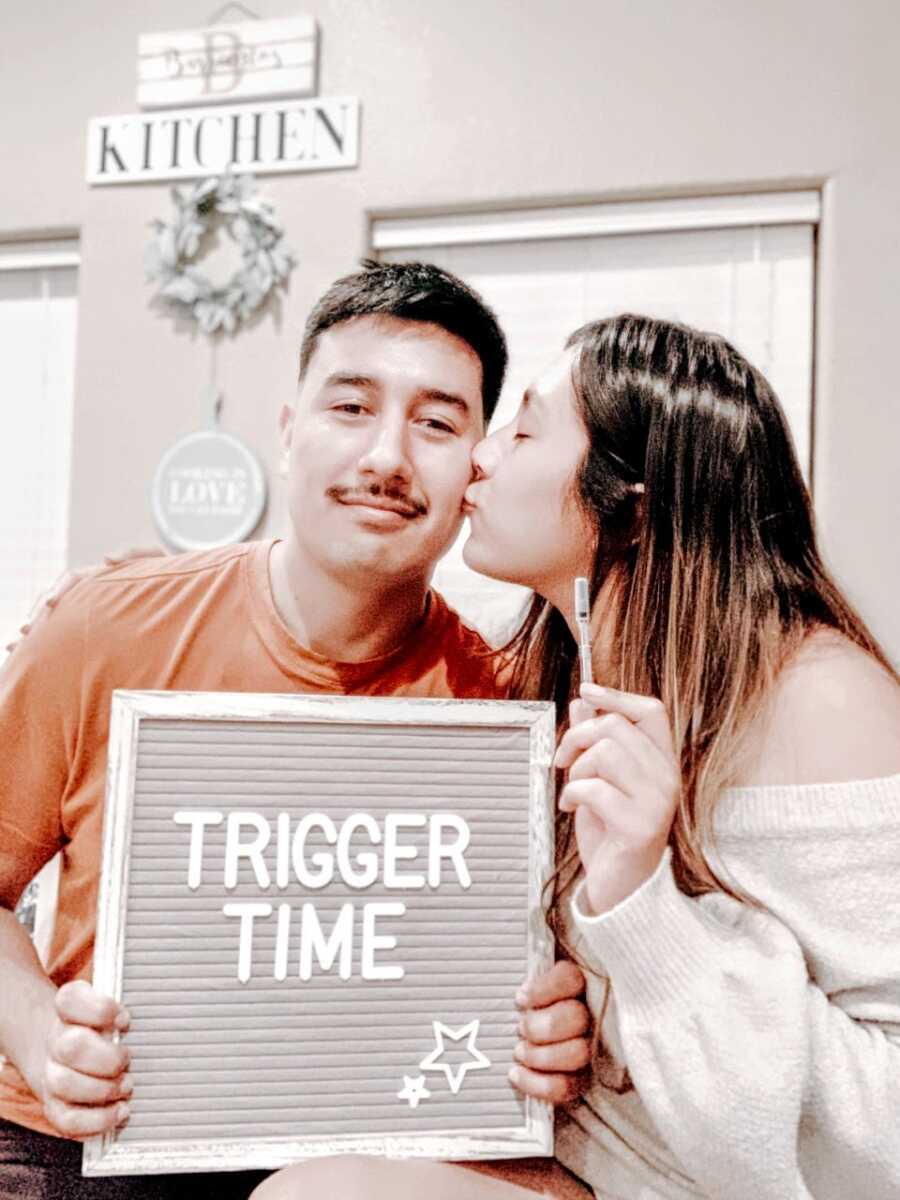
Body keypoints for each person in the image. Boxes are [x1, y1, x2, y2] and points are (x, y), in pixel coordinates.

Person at [251, 312, 900, 1199]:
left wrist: (644, 906)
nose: (478, 458)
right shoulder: (540, 679)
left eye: (522, 430)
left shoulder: (823, 701)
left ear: (627, 503)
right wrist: (557, 1016)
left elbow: (885, 1140)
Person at [0, 262, 593, 1200]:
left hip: (362, 1148)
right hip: (81, 1139)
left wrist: (549, 1023)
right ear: (288, 433)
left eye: (437, 424)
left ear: (478, 464)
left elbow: (512, 979)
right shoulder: (102, 626)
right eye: (350, 409)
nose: (388, 458)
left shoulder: (505, 708)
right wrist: (36, 1028)